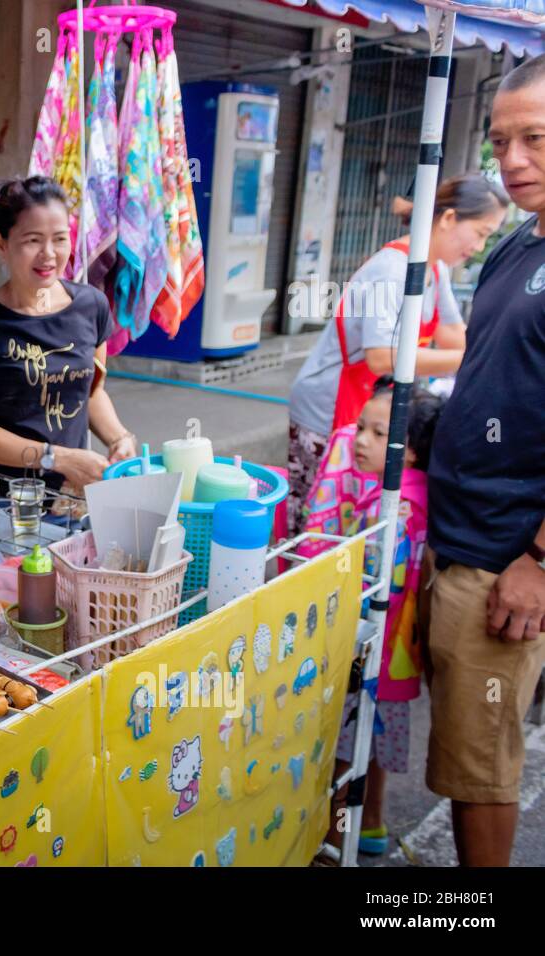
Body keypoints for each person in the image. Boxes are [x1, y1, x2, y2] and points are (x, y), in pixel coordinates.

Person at [423, 54, 545, 867]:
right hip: (454, 533)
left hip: (509, 551)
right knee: (463, 742)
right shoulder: (515, 245)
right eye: (500, 141)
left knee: (482, 770)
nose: (512, 161)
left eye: (535, 138)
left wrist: (537, 560)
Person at [285, 174, 508, 532]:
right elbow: (382, 356)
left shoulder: (433, 269)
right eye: (480, 233)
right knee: (316, 518)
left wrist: (498, 356)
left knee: (354, 516)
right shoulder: (393, 270)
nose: (479, 247)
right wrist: (473, 362)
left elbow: (454, 335)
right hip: (328, 406)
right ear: (449, 219)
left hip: (369, 406)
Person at [301, 379, 442, 856]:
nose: (359, 440)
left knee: (346, 751)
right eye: (361, 427)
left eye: (379, 434)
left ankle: (335, 840)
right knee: (373, 746)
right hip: (397, 661)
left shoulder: (398, 510)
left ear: (414, 451)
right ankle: (375, 824)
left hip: (371, 654)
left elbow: (379, 587)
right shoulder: (411, 494)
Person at [0, 176, 137, 515]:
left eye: (60, 239)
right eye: (33, 240)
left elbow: (90, 393)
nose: (49, 254)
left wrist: (119, 438)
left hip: (68, 503)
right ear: (0, 240)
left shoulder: (91, 307)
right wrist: (57, 458)